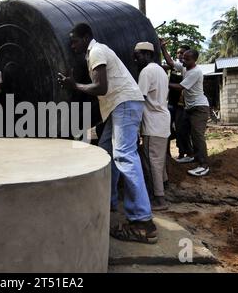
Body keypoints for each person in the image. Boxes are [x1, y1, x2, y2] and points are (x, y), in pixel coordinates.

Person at [58, 23, 157, 244]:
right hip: (118, 106)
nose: (72, 45)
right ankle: (108, 200)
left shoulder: (96, 51)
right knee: (106, 152)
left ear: (86, 38)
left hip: (124, 103)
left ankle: (142, 223)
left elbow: (100, 88)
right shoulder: (95, 52)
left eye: (74, 40)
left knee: (124, 155)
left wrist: (74, 85)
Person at [162, 43, 210, 177]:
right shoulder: (185, 67)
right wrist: (163, 47)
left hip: (199, 108)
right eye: (183, 58)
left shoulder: (195, 72)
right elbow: (170, 62)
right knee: (182, 131)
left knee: (197, 136)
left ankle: (203, 165)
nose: (183, 60)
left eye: (187, 59)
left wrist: (162, 81)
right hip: (189, 108)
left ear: (195, 60)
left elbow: (179, 87)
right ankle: (191, 155)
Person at [134, 42, 171, 211]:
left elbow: (139, 100)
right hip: (162, 122)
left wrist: (135, 126)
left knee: (152, 162)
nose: (136, 58)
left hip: (153, 125)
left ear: (148, 54)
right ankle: (163, 187)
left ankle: (159, 199)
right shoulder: (161, 71)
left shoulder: (146, 72)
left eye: (138, 55)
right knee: (159, 160)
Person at [161, 41, 194, 163]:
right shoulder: (174, 66)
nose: (179, 55)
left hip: (182, 104)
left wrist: (165, 83)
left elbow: (181, 87)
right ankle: (168, 154)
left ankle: (183, 153)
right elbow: (168, 63)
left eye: (182, 53)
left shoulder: (189, 69)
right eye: (178, 53)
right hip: (171, 103)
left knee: (182, 129)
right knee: (167, 129)